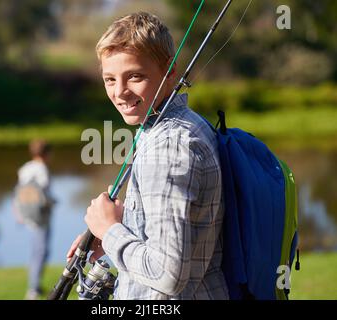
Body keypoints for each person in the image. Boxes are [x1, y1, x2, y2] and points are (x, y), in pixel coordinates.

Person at [67, 12, 228, 299]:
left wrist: (110, 228)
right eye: (109, 79)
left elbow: (167, 275)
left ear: (170, 72)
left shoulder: (168, 147)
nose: (120, 92)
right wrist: (118, 232)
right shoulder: (188, 124)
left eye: (135, 76)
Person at [14, 139, 55, 300]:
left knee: (35, 250)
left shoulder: (25, 168)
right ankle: (33, 289)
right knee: (41, 250)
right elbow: (44, 193)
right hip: (41, 215)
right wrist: (53, 202)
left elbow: (17, 192)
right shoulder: (42, 169)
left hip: (28, 214)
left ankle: (35, 284)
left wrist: (18, 213)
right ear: (47, 153)